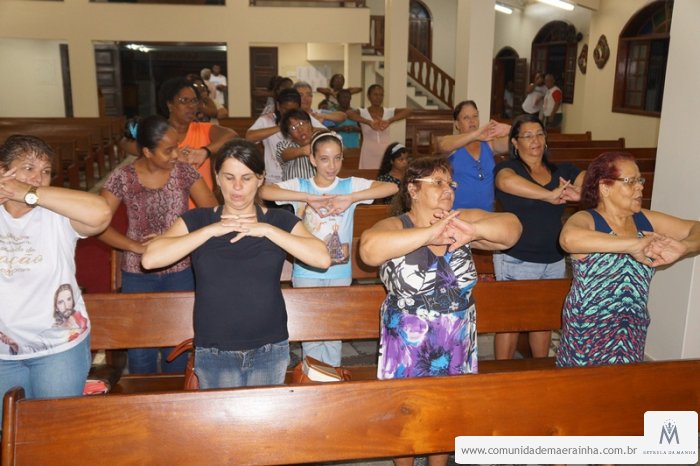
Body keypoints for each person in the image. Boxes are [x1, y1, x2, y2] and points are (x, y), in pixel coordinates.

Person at [359, 156, 521, 466]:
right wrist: (430, 234)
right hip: (409, 345)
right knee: (406, 421)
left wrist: (472, 230)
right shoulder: (397, 225)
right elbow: (368, 249)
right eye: (437, 183)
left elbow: (512, 228)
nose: (448, 189)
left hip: (456, 340)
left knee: (446, 418)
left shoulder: (460, 220)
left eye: (450, 183)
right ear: (413, 189)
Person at [141, 139, 330, 389]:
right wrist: (211, 230)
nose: (237, 187)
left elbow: (322, 258)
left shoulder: (279, 220)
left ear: (260, 179)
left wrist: (266, 230)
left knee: (264, 415)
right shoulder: (198, 220)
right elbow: (150, 259)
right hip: (215, 350)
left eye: (246, 178)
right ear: (217, 178)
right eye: (229, 177)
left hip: (269, 348)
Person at [260, 132, 398, 366]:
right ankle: (313, 379)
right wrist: (308, 198)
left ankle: (332, 378)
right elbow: (264, 191)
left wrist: (351, 198)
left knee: (334, 334)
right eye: (324, 159)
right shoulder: (301, 185)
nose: (331, 166)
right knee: (312, 335)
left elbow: (391, 187)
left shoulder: (348, 185)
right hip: (306, 272)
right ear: (313, 159)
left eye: (337, 158)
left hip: (339, 272)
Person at [0, 135, 111, 425]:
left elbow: (101, 213)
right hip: (2, 353)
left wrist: (28, 192)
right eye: (28, 168)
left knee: (56, 430)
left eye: (46, 171)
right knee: (8, 435)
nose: (38, 178)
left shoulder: (57, 212)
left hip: (58, 348)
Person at [557, 152, 700, 367]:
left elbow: (696, 228)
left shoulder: (644, 220)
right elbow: (568, 239)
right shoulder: (588, 219)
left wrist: (684, 247)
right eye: (630, 181)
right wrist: (633, 245)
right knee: (584, 388)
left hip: (632, 328)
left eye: (640, 180)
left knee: (627, 385)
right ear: (605, 187)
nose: (640, 187)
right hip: (588, 332)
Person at [99, 115, 218, 374]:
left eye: (177, 147)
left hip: (181, 270)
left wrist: (177, 239)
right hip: (137, 273)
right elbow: (97, 224)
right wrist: (136, 247)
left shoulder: (184, 173)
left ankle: (175, 396)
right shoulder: (123, 177)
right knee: (140, 348)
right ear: (147, 152)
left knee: (178, 347)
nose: (176, 155)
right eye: (168, 150)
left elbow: (212, 214)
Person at [493, 114, 585, 360]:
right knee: (510, 322)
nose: (535, 140)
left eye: (539, 134)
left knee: (543, 322)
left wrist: (581, 192)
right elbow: (506, 182)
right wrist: (549, 195)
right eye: (527, 135)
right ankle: (502, 374)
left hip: (554, 259)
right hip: (517, 258)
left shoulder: (561, 171)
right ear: (515, 142)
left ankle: (540, 370)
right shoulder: (508, 169)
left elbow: (591, 178)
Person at [436, 100, 510, 211]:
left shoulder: (489, 143)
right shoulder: (452, 144)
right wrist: (475, 135)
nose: (472, 121)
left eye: (475, 116)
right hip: (457, 215)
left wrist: (509, 128)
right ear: (457, 124)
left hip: (487, 215)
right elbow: (442, 145)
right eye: (466, 118)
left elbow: (518, 142)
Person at [246, 88, 325, 184]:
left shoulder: (303, 118)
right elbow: (249, 137)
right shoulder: (266, 119)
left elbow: (326, 132)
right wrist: (283, 126)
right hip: (273, 177)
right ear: (278, 106)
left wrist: (304, 127)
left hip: (302, 176)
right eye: (285, 110)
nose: (288, 114)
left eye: (293, 110)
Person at [348, 84, 412, 170]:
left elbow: (409, 110)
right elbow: (349, 113)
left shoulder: (388, 112)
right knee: (368, 176)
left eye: (381, 95)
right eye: (375, 94)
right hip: (368, 152)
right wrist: (368, 122)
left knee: (385, 175)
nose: (378, 97)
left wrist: (389, 121)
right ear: (368, 96)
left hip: (385, 151)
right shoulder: (363, 112)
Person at [275, 109, 315, 181]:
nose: (300, 130)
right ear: (289, 135)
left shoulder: (323, 142)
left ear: (310, 124)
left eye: (301, 123)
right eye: (293, 128)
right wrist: (304, 150)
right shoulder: (285, 145)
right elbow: (284, 154)